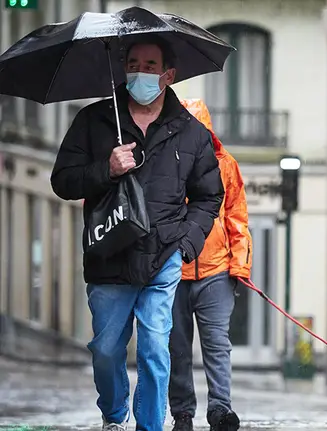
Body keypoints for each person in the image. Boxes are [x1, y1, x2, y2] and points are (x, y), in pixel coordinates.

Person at [50, 35, 224, 431]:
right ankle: (114, 416)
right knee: (107, 351)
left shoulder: (191, 133)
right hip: (109, 255)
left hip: (163, 256)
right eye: (133, 65)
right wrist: (106, 169)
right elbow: (62, 181)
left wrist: (186, 245)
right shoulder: (93, 121)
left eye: (150, 66)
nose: (140, 73)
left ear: (169, 75)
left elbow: (208, 197)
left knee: (154, 350)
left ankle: (149, 426)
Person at [168, 99, 252, 431]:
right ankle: (183, 414)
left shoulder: (226, 165)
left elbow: (237, 217)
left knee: (217, 344)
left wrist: (240, 265)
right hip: (173, 270)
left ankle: (220, 409)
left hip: (216, 272)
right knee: (177, 347)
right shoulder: (165, 164)